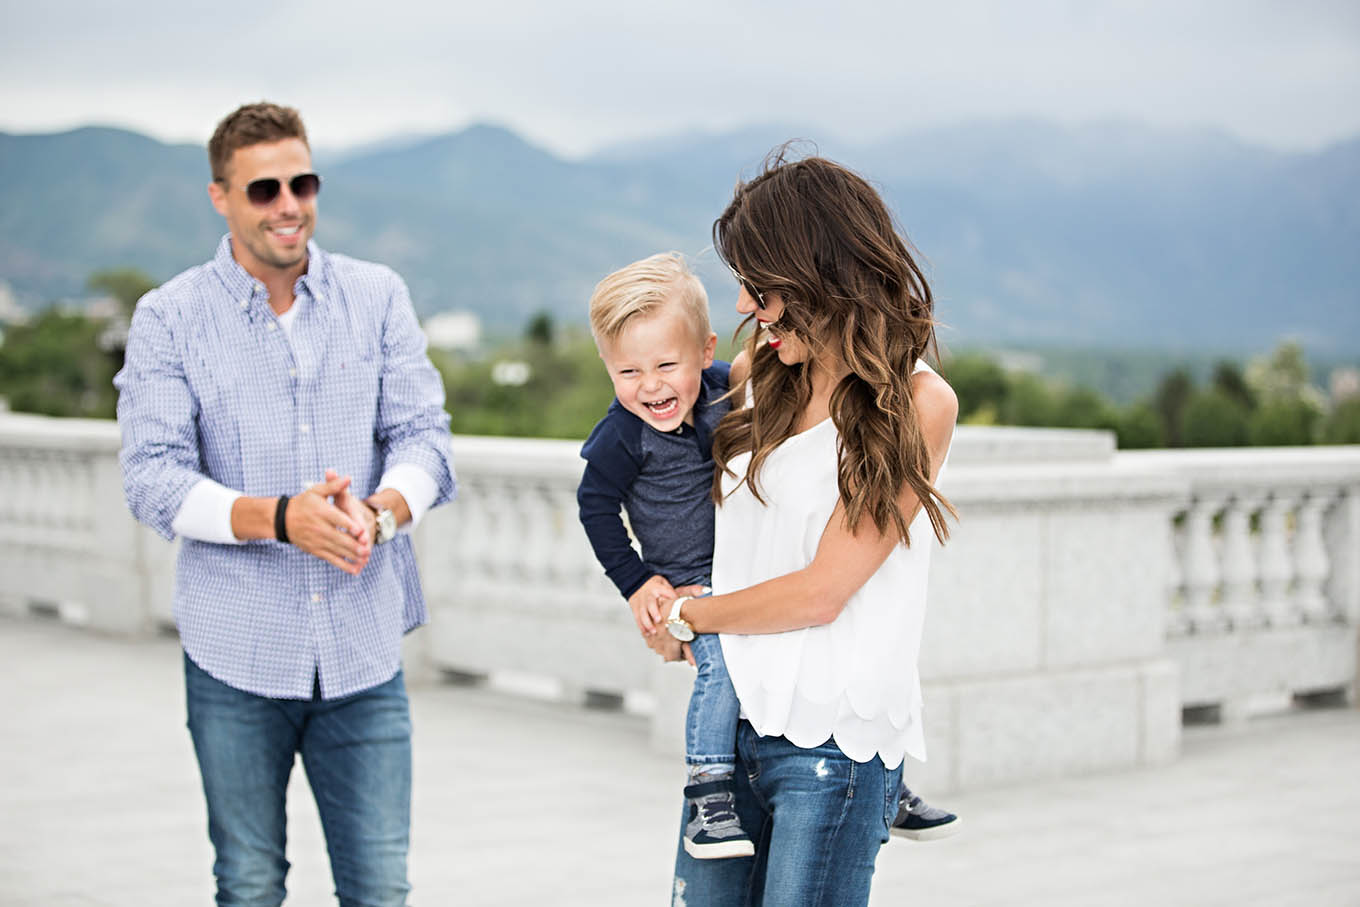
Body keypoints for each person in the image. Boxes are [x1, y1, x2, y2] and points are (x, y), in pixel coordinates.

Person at [114, 101, 455, 906]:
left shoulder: (378, 297)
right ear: (220, 198)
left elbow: (427, 440)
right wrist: (280, 518)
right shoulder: (169, 317)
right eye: (263, 189)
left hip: (362, 655)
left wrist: (377, 514)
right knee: (250, 882)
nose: (288, 204)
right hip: (234, 654)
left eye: (301, 182)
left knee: (379, 889)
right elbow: (152, 476)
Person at [647, 150, 959, 906]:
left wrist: (696, 616)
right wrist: (657, 588)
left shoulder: (920, 404)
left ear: (820, 274)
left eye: (762, 287)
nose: (749, 307)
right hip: (734, 731)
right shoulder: (765, 370)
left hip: (834, 744)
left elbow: (824, 590)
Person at [576, 252, 754, 859]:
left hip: (749, 569)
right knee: (721, 667)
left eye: (665, 365)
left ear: (705, 352)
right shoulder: (622, 436)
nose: (649, 386)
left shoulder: (727, 387)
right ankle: (709, 794)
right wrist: (637, 582)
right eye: (627, 371)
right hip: (688, 584)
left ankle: (883, 781)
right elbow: (595, 508)